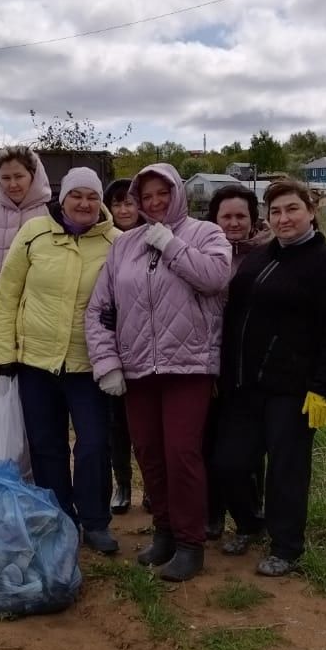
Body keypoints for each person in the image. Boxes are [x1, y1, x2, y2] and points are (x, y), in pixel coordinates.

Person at [86, 163, 231, 582]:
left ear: (176, 192)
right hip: (137, 369)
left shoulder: (205, 234)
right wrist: (108, 363)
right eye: (145, 197)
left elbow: (216, 279)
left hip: (188, 366)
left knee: (181, 453)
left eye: (161, 194)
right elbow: (100, 309)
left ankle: (190, 543)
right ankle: (164, 532)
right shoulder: (123, 246)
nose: (153, 203)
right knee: (148, 451)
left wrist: (171, 245)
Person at [215, 179, 326, 576]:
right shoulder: (261, 257)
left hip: (292, 391)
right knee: (230, 463)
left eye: (292, 209)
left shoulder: (325, 263)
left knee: (286, 471)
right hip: (244, 387)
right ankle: (248, 523)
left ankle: (287, 546)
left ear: (311, 211)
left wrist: (324, 388)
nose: (283, 218)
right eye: (275, 211)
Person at [0, 168, 119, 552]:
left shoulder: (117, 242)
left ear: (101, 202)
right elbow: (7, 293)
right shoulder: (33, 234)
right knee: (47, 445)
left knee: (94, 443)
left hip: (89, 364)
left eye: (92, 197)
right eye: (76, 195)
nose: (84, 203)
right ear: (62, 200)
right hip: (36, 362)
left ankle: (95, 521)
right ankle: (58, 516)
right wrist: (3, 354)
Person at [204, 182, 272, 544]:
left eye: (240, 216)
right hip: (207, 361)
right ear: (213, 219)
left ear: (252, 219)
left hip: (250, 366)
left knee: (247, 449)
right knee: (207, 441)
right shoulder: (202, 252)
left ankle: (251, 516)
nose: (233, 223)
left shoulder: (266, 254)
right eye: (225, 216)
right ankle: (212, 513)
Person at [0, 147, 51, 373]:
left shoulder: (49, 216)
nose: (12, 184)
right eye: (5, 178)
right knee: (4, 398)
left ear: (33, 176)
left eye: (19, 176)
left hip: (37, 325)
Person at [101, 177, 141, 514]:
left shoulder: (155, 238)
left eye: (130, 202)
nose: (124, 209)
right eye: (117, 203)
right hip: (110, 344)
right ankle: (122, 483)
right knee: (116, 423)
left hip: (145, 344)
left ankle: (153, 487)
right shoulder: (102, 240)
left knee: (145, 422)